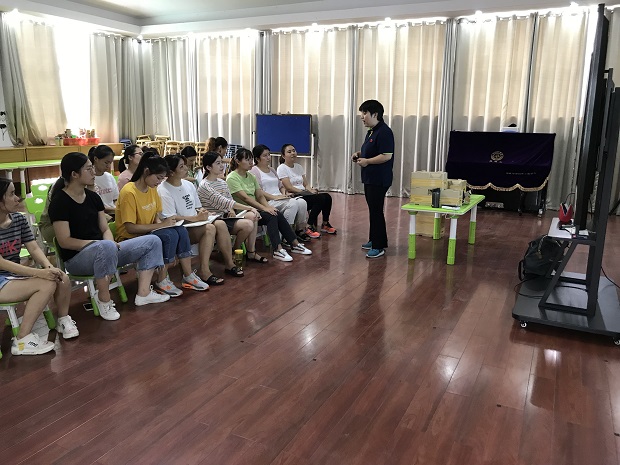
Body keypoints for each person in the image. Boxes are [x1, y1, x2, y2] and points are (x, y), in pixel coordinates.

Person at [49, 153, 170, 320]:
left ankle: (144, 294)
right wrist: (99, 244)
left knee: (153, 241)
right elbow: (65, 241)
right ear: (74, 174)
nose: (94, 172)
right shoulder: (60, 202)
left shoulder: (93, 197)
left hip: (105, 250)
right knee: (105, 246)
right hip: (77, 259)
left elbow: (105, 228)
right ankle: (104, 300)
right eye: (89, 169)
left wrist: (109, 243)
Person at [116, 152, 209, 297]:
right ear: (147, 171)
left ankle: (188, 275)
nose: (160, 182)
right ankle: (162, 279)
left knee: (180, 230)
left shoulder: (151, 189)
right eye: (158, 178)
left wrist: (164, 224)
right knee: (169, 235)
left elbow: (155, 217)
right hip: (129, 239)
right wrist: (161, 226)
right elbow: (130, 228)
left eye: (162, 178)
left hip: (147, 233)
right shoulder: (129, 192)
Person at [0, 178, 76, 355]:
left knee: (61, 277)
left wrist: (49, 267)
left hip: (13, 276)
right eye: (12, 194)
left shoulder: (18, 219)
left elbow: (33, 248)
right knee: (46, 284)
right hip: (2, 279)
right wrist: (39, 273)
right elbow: (2, 262)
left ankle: (63, 320)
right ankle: (22, 340)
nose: (18, 198)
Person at [159, 154, 243, 283]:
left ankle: (229, 264)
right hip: (181, 228)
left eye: (185, 165)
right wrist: (196, 218)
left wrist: (203, 212)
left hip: (195, 222)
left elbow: (197, 207)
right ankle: (204, 270)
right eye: (181, 166)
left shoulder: (188, 184)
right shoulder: (163, 190)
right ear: (171, 172)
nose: (186, 168)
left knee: (220, 224)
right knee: (209, 229)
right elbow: (171, 218)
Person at [227, 148, 312, 262]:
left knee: (275, 213)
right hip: (242, 212)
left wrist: (268, 207)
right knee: (272, 215)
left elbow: (259, 195)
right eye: (247, 160)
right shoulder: (232, 177)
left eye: (251, 159)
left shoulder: (251, 176)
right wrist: (265, 208)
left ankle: (294, 244)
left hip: (255, 209)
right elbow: (246, 198)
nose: (251, 162)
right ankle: (278, 249)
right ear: (238, 161)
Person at [197, 151, 264, 263]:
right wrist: (249, 207)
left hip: (226, 217)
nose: (222, 166)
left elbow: (230, 200)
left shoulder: (222, 182)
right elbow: (225, 202)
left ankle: (237, 249)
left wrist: (232, 210)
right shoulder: (205, 185)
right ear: (208, 167)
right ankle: (230, 255)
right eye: (218, 163)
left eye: (221, 162)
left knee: (250, 221)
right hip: (214, 219)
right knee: (249, 214)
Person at [351, 99, 395, 258]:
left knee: (376, 211)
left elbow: (386, 155)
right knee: (373, 210)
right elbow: (371, 149)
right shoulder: (371, 131)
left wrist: (367, 161)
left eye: (365, 113)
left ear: (375, 114)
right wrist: (359, 154)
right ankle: (374, 239)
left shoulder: (384, 132)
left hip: (379, 179)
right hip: (370, 178)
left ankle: (378, 246)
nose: (362, 117)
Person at [250, 144, 317, 242]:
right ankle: (286, 236)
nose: (268, 157)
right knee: (293, 203)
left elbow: (280, 186)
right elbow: (259, 191)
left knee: (302, 202)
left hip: (280, 198)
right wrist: (274, 197)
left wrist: (283, 194)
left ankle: (299, 230)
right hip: (268, 201)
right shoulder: (254, 171)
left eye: (269, 154)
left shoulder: (272, 170)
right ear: (257, 158)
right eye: (265, 155)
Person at [277, 144, 337, 235]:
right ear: (283, 156)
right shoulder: (282, 168)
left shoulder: (298, 167)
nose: (293, 153)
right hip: (295, 195)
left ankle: (325, 224)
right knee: (319, 199)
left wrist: (310, 190)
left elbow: (306, 184)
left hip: (305, 193)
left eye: (294, 151)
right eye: (289, 152)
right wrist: (305, 192)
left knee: (327, 197)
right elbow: (289, 187)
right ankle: (308, 226)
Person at [89, 145, 119, 216]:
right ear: (96, 159)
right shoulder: (88, 179)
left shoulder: (110, 177)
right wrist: (117, 210)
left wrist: (116, 209)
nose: (108, 166)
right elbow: (95, 206)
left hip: (114, 212)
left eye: (110, 163)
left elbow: (116, 199)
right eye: (106, 162)